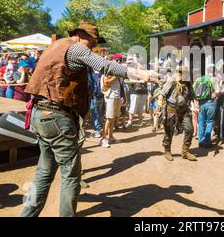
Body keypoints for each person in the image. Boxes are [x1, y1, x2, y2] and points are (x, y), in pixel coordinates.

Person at [21, 21, 157, 217]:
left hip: (40, 114)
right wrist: (138, 72)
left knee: (43, 173)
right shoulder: (75, 48)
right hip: (56, 117)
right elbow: (104, 65)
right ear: (79, 35)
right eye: (93, 41)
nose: (94, 46)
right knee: (71, 176)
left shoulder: (57, 45)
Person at [159, 67, 197, 162]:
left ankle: (185, 152)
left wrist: (196, 105)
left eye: (183, 73)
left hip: (184, 111)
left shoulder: (188, 84)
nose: (181, 75)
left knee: (189, 129)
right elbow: (162, 94)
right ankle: (167, 150)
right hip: (171, 110)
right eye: (179, 73)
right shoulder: (172, 82)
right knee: (169, 132)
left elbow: (193, 96)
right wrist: (159, 105)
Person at [194, 74, 220, 148]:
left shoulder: (200, 79)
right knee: (209, 122)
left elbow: (194, 91)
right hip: (211, 103)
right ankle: (207, 142)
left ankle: (200, 141)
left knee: (201, 122)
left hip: (201, 103)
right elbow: (217, 92)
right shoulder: (214, 79)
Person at [100, 66, 123, 148]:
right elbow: (106, 82)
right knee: (109, 118)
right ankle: (103, 139)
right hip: (110, 97)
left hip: (117, 96)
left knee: (113, 118)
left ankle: (110, 137)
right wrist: (116, 76)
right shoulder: (108, 73)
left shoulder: (117, 74)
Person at [126, 60, 148, 127]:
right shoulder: (133, 71)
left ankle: (140, 120)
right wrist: (141, 80)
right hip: (135, 91)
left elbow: (148, 79)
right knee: (133, 107)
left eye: (143, 63)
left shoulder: (145, 72)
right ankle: (130, 121)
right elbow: (129, 80)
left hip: (143, 91)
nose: (142, 65)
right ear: (137, 64)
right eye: (140, 63)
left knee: (141, 108)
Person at [88, 68, 104, 139]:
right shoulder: (102, 74)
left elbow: (89, 86)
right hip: (101, 96)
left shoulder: (92, 75)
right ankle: (99, 128)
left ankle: (97, 130)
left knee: (95, 113)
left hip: (94, 96)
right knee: (99, 112)